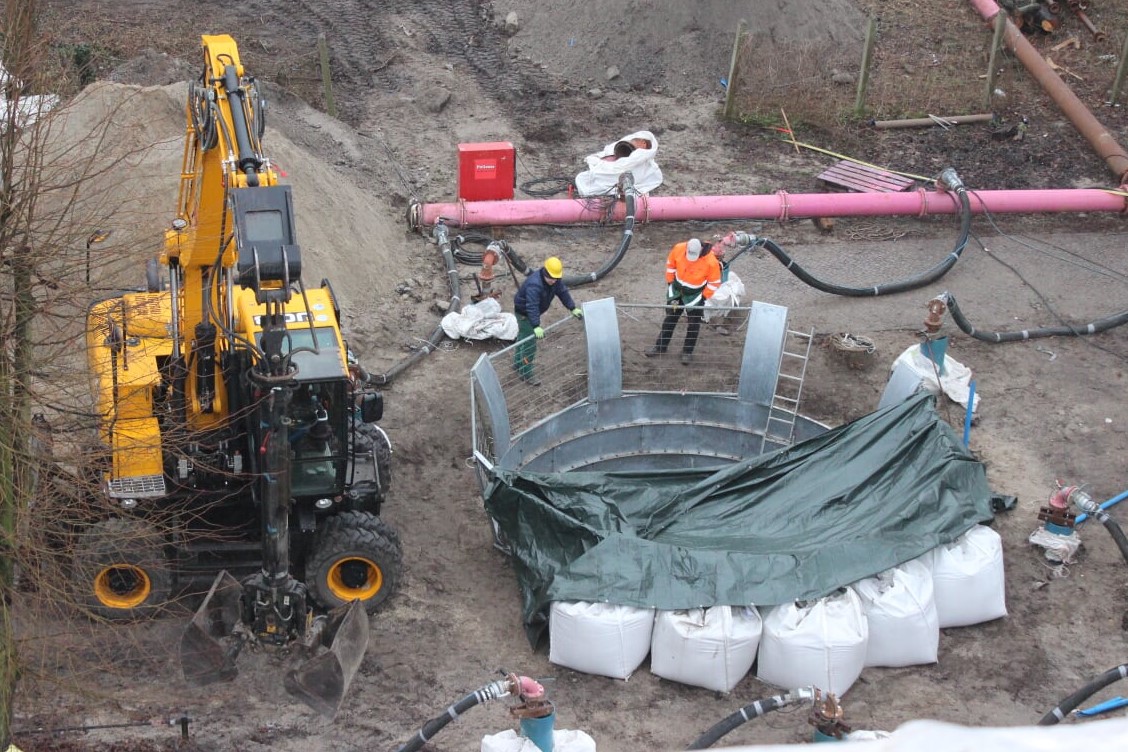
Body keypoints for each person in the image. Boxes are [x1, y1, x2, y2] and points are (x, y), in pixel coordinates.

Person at [645, 238, 722, 364]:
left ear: (701, 249)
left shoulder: (711, 262)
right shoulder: (678, 249)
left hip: (695, 297)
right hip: (677, 293)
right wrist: (670, 282)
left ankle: (687, 352)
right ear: (687, 248)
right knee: (670, 318)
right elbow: (671, 265)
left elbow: (714, 283)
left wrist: (703, 297)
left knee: (693, 324)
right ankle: (660, 347)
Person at [512, 256, 583, 385]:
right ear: (545, 272)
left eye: (556, 278)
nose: (553, 281)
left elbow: (563, 292)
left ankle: (518, 363)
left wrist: (572, 308)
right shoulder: (535, 285)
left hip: (530, 312)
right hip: (524, 314)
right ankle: (526, 372)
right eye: (551, 278)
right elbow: (532, 306)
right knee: (529, 344)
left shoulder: (555, 280)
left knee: (523, 337)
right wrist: (536, 326)